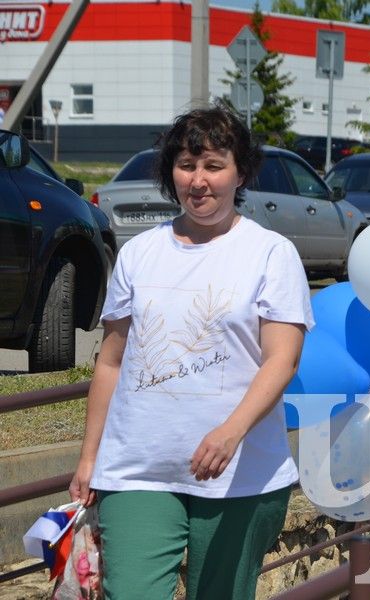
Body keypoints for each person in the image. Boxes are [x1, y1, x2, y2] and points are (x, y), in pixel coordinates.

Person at [68, 105, 314, 599]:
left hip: (240, 474)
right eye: (186, 165)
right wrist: (89, 457)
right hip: (139, 468)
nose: (198, 180)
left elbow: (281, 359)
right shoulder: (140, 253)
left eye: (214, 166)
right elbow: (111, 362)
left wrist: (230, 432)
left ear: (240, 172)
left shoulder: (270, 253)